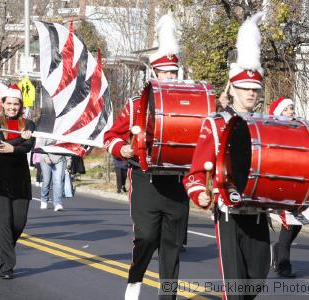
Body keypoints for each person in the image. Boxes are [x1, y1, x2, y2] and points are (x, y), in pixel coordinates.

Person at [183, 13, 270, 300]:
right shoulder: (216, 123)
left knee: (256, 280)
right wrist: (200, 195)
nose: (250, 94)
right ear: (232, 89)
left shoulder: (266, 125)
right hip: (229, 213)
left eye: (255, 89)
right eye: (244, 88)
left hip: (257, 214)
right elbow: (195, 173)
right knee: (235, 289)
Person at [104, 14, 189, 300]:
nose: (170, 77)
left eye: (174, 72)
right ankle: (135, 280)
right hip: (144, 178)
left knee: (173, 245)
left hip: (177, 182)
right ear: (154, 74)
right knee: (147, 238)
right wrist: (122, 149)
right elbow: (111, 137)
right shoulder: (135, 105)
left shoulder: (190, 107)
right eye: (165, 73)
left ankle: (168, 296)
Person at [267, 97, 309, 278]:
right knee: (289, 223)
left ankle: (278, 250)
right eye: (287, 109)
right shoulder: (272, 129)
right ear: (278, 113)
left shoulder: (297, 128)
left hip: (297, 181)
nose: (291, 111)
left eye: (292, 108)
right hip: (279, 182)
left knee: (297, 223)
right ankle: (283, 266)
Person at [0, 84, 35, 279]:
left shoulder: (29, 124)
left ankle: (3, 246)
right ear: (3, 104)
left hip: (19, 176)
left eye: (16, 104)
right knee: (4, 223)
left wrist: (14, 146)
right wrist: (19, 140)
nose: (13, 107)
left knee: (19, 223)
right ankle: (7, 266)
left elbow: (29, 146)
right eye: (9, 103)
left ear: (21, 105)